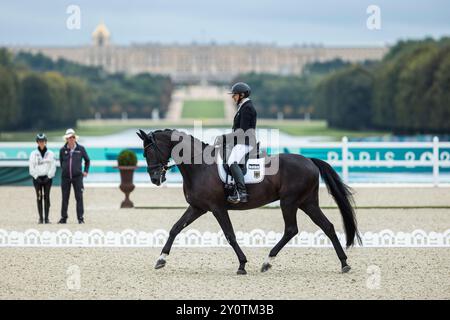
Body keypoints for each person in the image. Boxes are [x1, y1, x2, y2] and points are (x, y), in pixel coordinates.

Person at [226, 82, 257, 204]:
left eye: (234, 95)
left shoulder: (247, 108)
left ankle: (241, 192)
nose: (233, 97)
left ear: (242, 95)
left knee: (231, 162)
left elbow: (242, 131)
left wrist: (225, 138)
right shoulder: (243, 106)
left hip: (245, 142)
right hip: (241, 141)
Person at [58, 128, 90, 224]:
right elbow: (61, 162)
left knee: (79, 198)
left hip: (78, 178)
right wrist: (65, 170)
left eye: (73, 137)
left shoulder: (81, 149)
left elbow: (87, 160)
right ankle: (64, 218)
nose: (71, 139)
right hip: (65, 178)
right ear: (66, 139)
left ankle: (80, 218)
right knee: (65, 198)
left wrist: (85, 171)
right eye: (69, 137)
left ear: (75, 138)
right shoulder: (62, 150)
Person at [29, 133, 56, 224]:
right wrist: (36, 177)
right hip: (37, 179)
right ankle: (41, 218)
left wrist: (49, 176)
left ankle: (47, 218)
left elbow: (53, 166)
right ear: (37, 142)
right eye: (40, 141)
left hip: (47, 179)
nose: (41, 143)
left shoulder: (50, 153)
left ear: (45, 142)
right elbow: (31, 167)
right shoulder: (33, 154)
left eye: (43, 141)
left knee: (47, 197)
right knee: (39, 197)